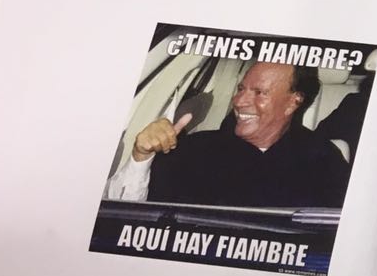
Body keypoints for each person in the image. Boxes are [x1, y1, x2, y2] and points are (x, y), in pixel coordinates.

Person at [106, 62, 351, 208]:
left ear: (293, 102)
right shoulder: (194, 149)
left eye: (259, 92)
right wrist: (141, 157)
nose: (239, 101)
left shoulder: (323, 160)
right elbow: (125, 213)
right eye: (241, 88)